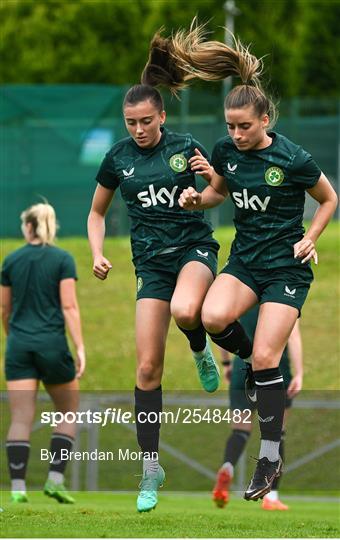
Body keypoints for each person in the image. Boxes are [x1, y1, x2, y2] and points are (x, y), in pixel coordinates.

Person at [146, 22, 338, 501]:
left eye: (245, 127)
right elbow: (220, 193)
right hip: (246, 259)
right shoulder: (226, 152)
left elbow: (330, 199)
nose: (236, 134)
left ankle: (270, 456)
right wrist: (197, 199)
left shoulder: (293, 158)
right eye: (231, 127)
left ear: (266, 119)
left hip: (285, 267)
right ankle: (255, 370)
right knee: (211, 316)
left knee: (272, 356)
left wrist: (311, 237)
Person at [87, 73, 225, 510]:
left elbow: (220, 192)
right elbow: (95, 212)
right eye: (131, 122)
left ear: (162, 116)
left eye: (146, 120)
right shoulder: (117, 158)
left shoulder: (186, 147)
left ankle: (201, 347)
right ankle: (150, 469)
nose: (139, 129)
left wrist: (199, 199)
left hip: (193, 249)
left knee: (187, 311)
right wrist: (96, 252)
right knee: (147, 368)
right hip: (150, 265)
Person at [1, 203, 85, 504]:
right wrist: (80, 347)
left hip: (19, 347)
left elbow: (4, 309)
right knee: (67, 412)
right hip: (52, 345)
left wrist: (16, 339)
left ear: (28, 227)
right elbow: (69, 306)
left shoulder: (11, 261)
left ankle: (18, 489)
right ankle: (54, 480)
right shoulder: (62, 259)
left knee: (21, 417)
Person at [212, 305, 303, 510]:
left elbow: (223, 327)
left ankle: (227, 467)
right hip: (276, 369)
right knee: (277, 432)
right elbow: (294, 337)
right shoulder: (282, 298)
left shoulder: (242, 296)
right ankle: (271, 497)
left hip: (242, 368)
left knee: (240, 430)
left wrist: (226, 364)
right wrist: (299, 374)